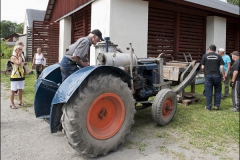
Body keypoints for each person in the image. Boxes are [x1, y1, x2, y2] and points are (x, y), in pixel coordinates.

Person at [201, 44, 225, 111]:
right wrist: (223, 75)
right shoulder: (219, 56)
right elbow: (221, 67)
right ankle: (216, 106)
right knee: (217, 91)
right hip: (217, 76)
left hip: (208, 76)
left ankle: (208, 107)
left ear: (209, 49)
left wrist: (204, 73)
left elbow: (202, 67)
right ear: (215, 50)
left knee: (209, 91)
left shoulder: (205, 56)